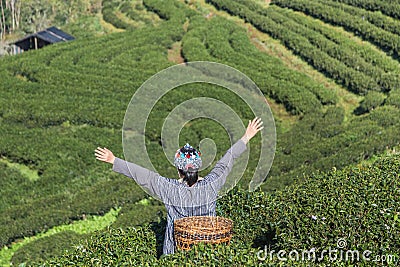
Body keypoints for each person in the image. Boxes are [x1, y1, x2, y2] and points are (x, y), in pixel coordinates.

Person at [95, 117, 263, 255]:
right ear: (198, 167)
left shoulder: (168, 187)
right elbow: (227, 160)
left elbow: (142, 174)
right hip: (209, 252)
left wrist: (113, 160)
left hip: (175, 253)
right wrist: (246, 137)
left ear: (178, 169)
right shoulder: (211, 184)